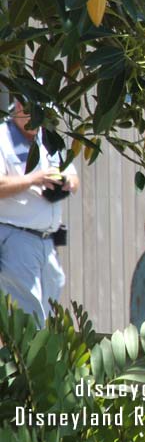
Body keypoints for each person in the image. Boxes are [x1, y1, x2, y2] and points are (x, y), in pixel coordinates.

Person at [0, 100, 78, 325]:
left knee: (48, 315)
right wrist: (35, 179)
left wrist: (66, 183)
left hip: (47, 242)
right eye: (31, 109)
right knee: (27, 316)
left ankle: (38, 360)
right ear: (17, 106)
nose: (36, 115)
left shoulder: (49, 138)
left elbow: (74, 177)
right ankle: (25, 361)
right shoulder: (3, 137)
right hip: (16, 238)